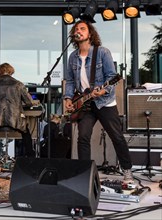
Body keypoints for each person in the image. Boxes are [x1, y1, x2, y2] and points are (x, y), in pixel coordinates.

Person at [64, 20, 134, 183]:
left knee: (116, 136)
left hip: (105, 102)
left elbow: (112, 77)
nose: (78, 31)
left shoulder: (102, 52)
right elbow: (70, 80)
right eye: (76, 29)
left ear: (90, 34)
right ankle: (84, 174)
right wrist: (68, 98)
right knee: (83, 137)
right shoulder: (72, 57)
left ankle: (127, 170)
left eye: (82, 28)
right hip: (86, 104)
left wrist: (104, 90)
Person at [0, 63, 35, 166]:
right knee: (26, 133)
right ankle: (31, 159)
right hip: (15, 120)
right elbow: (29, 102)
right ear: (11, 71)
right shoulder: (18, 84)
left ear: (0, 71)